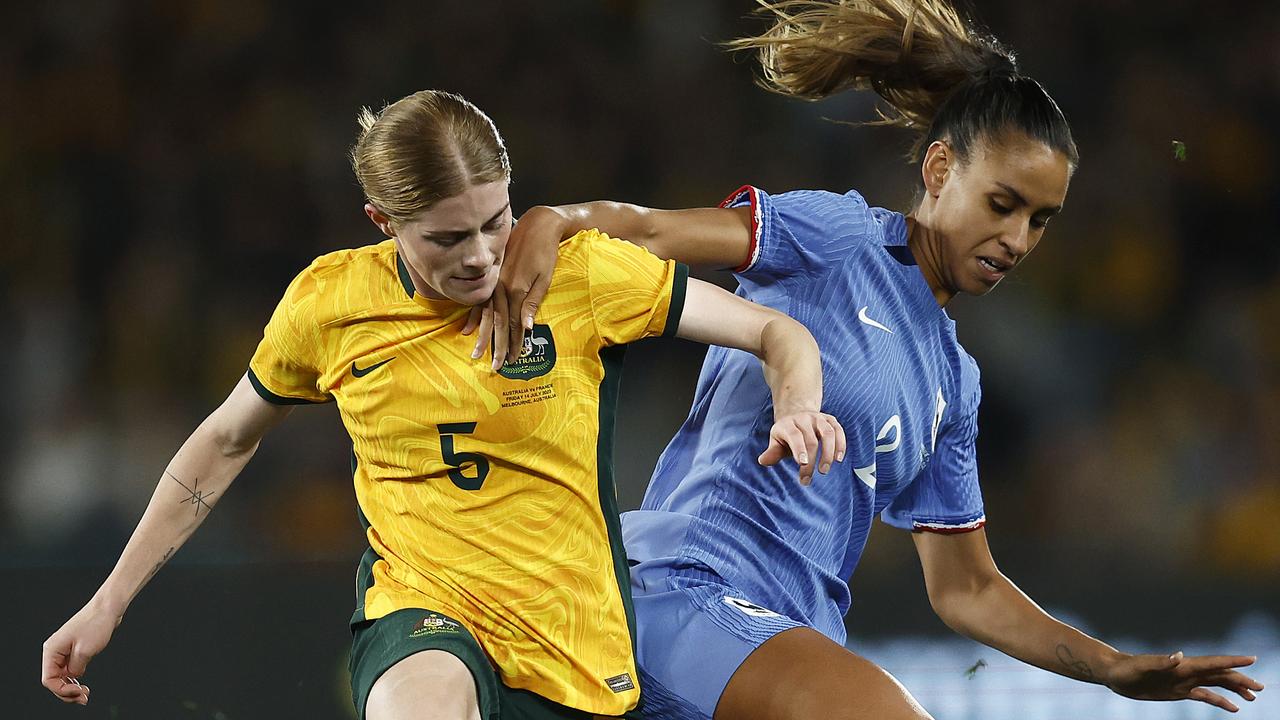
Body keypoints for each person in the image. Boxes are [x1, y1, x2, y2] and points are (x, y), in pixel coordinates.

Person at [478, 2, 1266, 718]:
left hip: (776, 646)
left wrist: (1112, 668)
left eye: (1041, 220)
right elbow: (650, 234)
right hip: (682, 593)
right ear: (938, 170)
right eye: (1002, 205)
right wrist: (559, 218)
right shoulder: (841, 239)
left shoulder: (955, 384)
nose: (1018, 240)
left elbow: (966, 588)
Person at [39, 89, 846, 720]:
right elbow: (223, 443)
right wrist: (108, 603)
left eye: (495, 223)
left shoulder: (583, 275)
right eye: (445, 238)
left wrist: (798, 405)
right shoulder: (328, 304)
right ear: (383, 222)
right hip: (423, 611)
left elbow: (778, 332)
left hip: (574, 644)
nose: (482, 257)